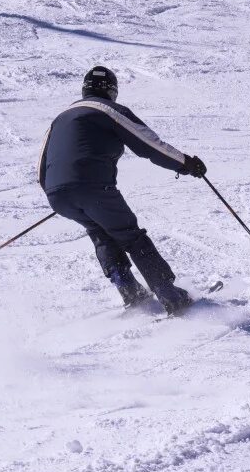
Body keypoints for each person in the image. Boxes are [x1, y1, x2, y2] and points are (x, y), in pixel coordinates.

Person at [38, 67, 203, 315]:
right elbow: (149, 144)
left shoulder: (59, 119)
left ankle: (130, 291)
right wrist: (186, 164)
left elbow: (42, 166)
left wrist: (64, 192)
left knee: (100, 232)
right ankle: (171, 296)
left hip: (57, 194)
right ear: (112, 92)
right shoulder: (107, 110)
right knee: (131, 236)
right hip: (92, 189)